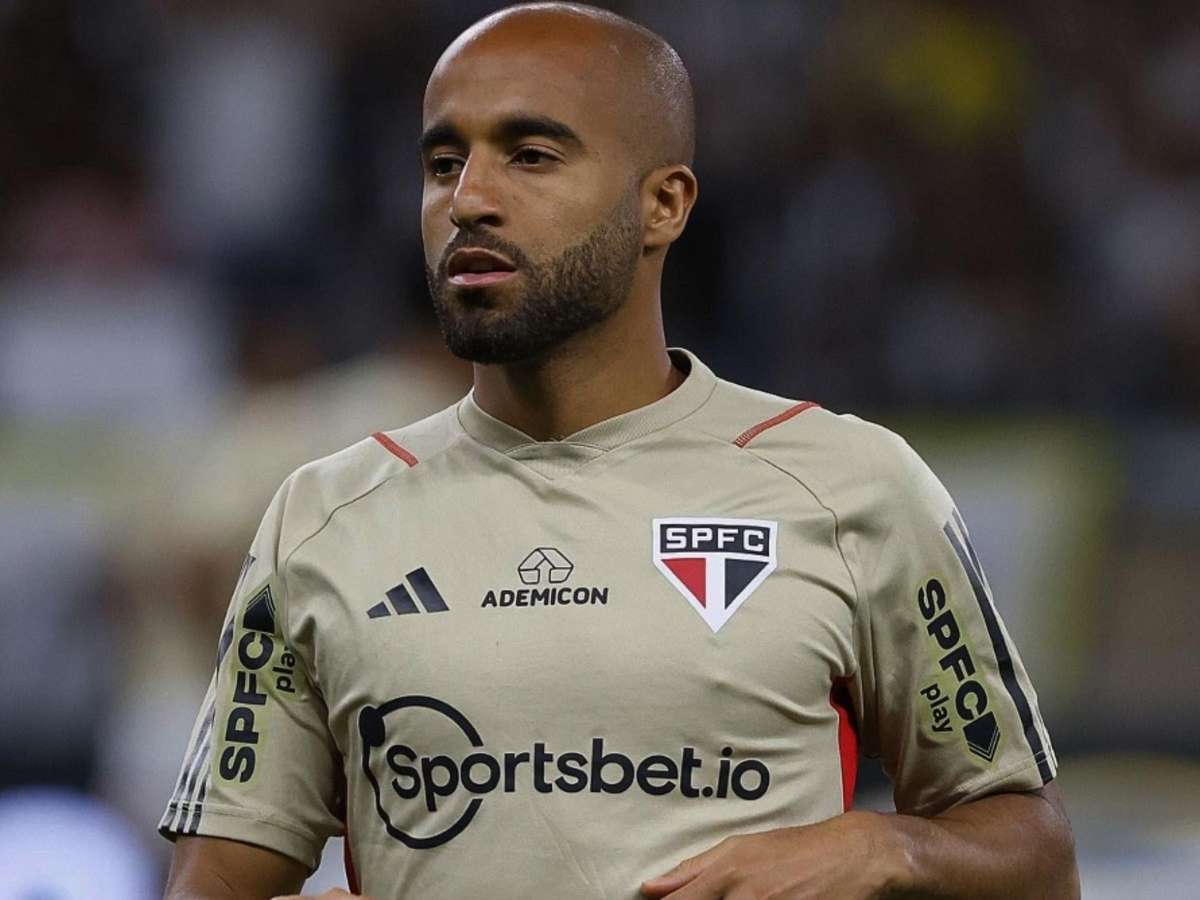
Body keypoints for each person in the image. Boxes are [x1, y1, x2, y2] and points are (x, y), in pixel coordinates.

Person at [161, 4, 1080, 898]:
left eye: (530, 155)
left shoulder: (851, 488)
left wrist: (883, 848)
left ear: (663, 205)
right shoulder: (324, 517)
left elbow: (1036, 858)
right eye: (444, 163)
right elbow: (213, 884)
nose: (468, 200)